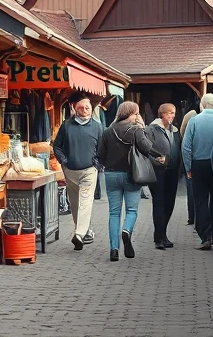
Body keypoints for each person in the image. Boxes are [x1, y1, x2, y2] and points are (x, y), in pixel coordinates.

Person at [97, 101, 162, 261]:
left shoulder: (107, 131)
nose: (137, 116)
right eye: (136, 113)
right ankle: (126, 230)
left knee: (114, 213)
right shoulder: (136, 131)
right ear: (130, 114)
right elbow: (147, 148)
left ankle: (113, 249)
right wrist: (143, 129)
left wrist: (110, 166)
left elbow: (100, 156)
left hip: (112, 175)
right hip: (132, 174)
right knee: (132, 210)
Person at [53, 95, 102, 250]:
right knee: (74, 203)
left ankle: (79, 234)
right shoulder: (66, 125)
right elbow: (57, 146)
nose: (85, 110)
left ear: (92, 108)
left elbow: (102, 148)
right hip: (70, 171)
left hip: (89, 170)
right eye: (81, 108)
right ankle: (85, 231)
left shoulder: (98, 126)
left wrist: (97, 164)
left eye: (87, 107)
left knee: (85, 202)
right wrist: (64, 162)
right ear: (74, 108)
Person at [182, 93, 213, 250]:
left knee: (200, 200)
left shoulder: (194, 121)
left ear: (202, 105)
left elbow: (186, 146)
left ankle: (205, 237)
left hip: (198, 164)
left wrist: (188, 168)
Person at [147, 103, 181, 250]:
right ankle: (158, 237)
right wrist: (156, 159)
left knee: (170, 202)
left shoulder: (175, 130)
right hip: (157, 171)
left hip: (173, 170)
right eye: (169, 113)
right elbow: (146, 148)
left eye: (173, 113)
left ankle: (163, 233)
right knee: (159, 202)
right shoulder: (152, 129)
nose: (172, 116)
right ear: (161, 114)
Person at [179, 107, 198, 225]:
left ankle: (191, 216)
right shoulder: (195, 131)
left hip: (189, 166)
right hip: (195, 164)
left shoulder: (183, 135)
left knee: (191, 192)